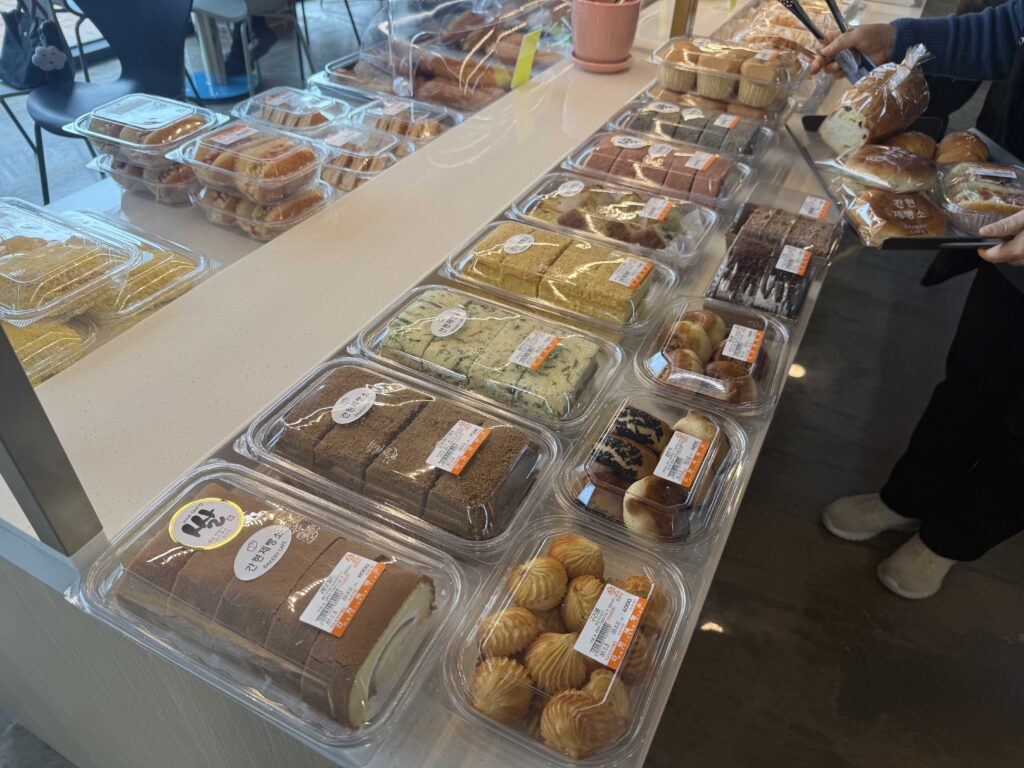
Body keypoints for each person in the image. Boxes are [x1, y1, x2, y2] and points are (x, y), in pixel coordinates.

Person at [811, 2, 1024, 599]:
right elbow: (1015, 28)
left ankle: (950, 540)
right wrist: (903, 39)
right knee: (973, 377)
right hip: (1009, 208)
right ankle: (909, 497)